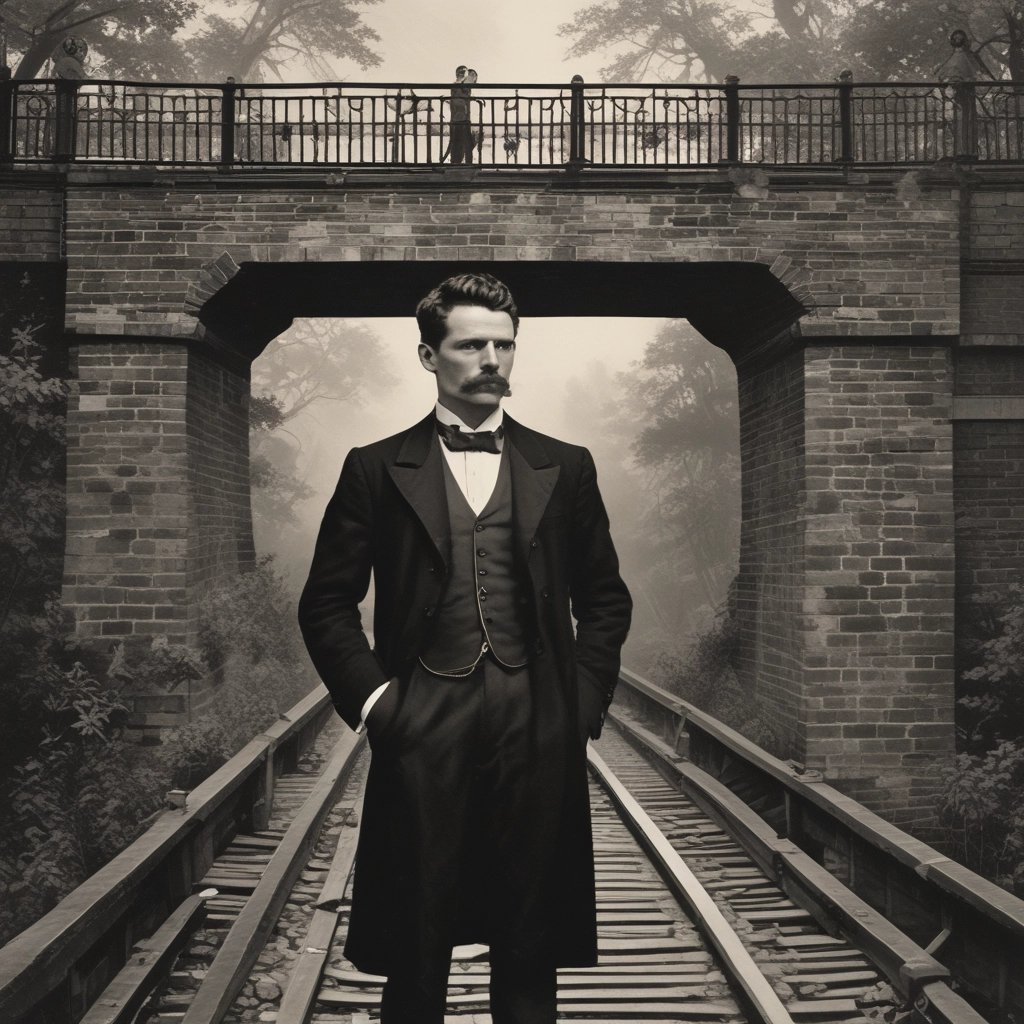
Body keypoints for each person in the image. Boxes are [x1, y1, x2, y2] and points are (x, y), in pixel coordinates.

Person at [297, 272, 632, 1023]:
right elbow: (325, 603)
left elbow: (605, 599)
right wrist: (380, 704)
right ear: (428, 356)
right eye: (472, 343)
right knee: (416, 946)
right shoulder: (375, 467)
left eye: (504, 344)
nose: (492, 359)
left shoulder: (565, 465)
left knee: (529, 943)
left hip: (536, 726)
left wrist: (578, 704)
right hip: (423, 725)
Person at [449, 65, 474, 164]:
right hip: (460, 119)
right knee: (461, 144)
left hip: (460, 119)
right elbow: (459, 99)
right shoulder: (458, 86)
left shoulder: (460, 87)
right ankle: (461, 163)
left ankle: (460, 162)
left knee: (462, 144)